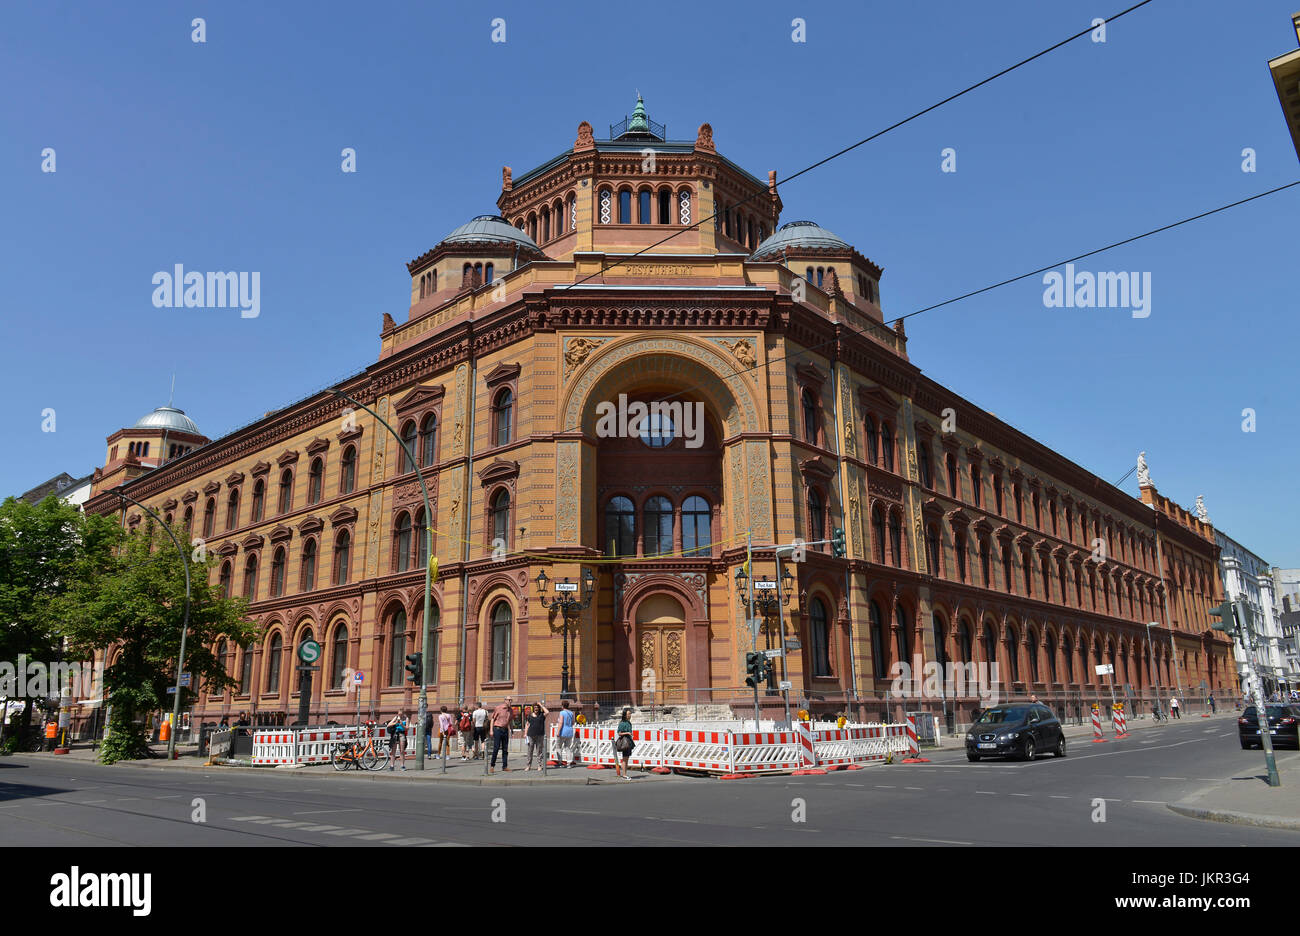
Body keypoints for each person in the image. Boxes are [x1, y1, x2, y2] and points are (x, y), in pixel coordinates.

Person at [489, 697, 514, 774]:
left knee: (505, 749)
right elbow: (492, 719)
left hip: (505, 730)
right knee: (496, 748)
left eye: (511, 700)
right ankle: (492, 766)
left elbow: (510, 721)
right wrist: (491, 730)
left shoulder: (511, 710)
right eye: (509, 700)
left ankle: (505, 766)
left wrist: (512, 730)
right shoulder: (498, 708)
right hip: (497, 729)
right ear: (505, 700)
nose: (510, 701)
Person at [524, 701, 549, 771]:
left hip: (540, 735)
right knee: (530, 751)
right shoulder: (530, 716)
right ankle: (528, 766)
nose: (536, 709)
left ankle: (539, 765)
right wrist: (525, 734)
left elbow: (547, 712)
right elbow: (527, 724)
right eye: (535, 707)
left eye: (537, 707)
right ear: (533, 708)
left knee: (539, 751)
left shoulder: (542, 715)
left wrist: (541, 705)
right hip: (530, 735)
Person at [614, 708, 634, 780]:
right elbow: (619, 733)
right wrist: (627, 733)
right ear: (625, 715)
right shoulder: (622, 723)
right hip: (625, 742)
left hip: (628, 741)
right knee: (625, 758)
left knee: (626, 758)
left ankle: (624, 774)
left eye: (630, 714)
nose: (630, 715)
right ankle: (624, 774)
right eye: (628, 714)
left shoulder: (629, 723)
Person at [555, 700, 576, 767]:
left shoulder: (562, 713)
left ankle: (560, 762)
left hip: (562, 732)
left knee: (558, 747)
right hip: (570, 731)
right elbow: (573, 722)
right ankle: (569, 763)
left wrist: (558, 731)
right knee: (568, 748)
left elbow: (561, 722)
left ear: (562, 706)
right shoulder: (571, 713)